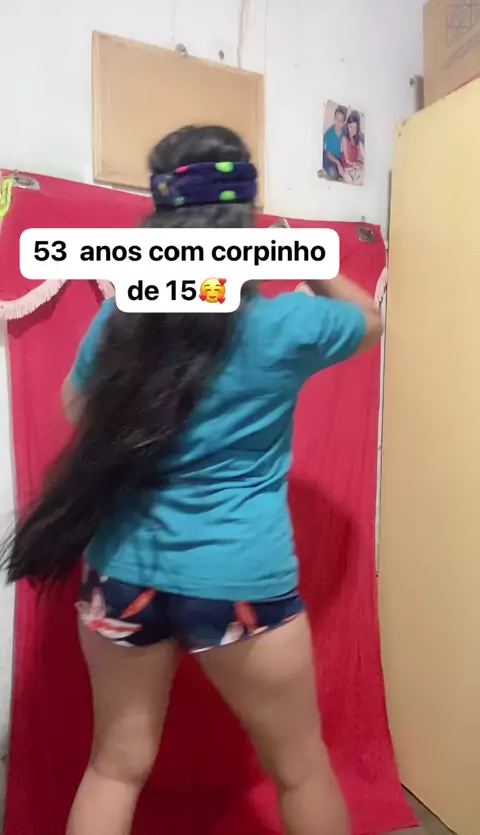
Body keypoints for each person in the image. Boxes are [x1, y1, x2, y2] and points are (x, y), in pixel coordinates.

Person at [1, 124, 383, 835]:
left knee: (114, 768)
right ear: (245, 225)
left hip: (122, 576)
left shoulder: (124, 315)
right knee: (301, 769)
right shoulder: (289, 325)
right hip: (239, 581)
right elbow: (369, 319)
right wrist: (308, 250)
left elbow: (75, 409)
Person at [322, 105, 347, 181]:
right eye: (337, 120)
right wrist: (338, 163)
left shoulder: (344, 131)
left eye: (341, 120)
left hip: (339, 159)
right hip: (329, 158)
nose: (339, 123)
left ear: (344, 122)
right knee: (333, 174)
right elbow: (328, 153)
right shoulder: (329, 134)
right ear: (334, 119)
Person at [341, 111, 365, 185]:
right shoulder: (344, 138)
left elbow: (359, 156)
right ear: (347, 126)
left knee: (365, 173)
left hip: (356, 165)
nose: (352, 130)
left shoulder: (356, 139)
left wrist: (363, 163)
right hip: (347, 166)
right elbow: (346, 159)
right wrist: (353, 164)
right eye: (351, 127)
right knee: (350, 180)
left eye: (355, 128)